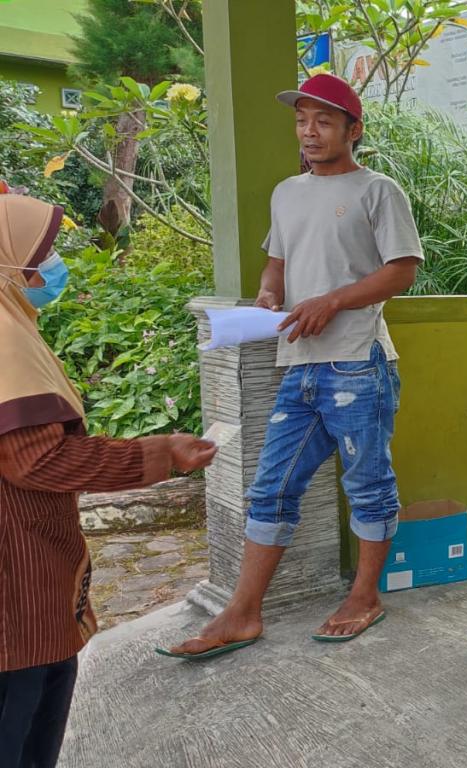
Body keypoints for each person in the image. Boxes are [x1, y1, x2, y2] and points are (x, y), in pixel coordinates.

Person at [163, 73, 423, 659]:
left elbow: (402, 269)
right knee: (270, 488)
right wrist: (267, 296)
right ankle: (242, 612)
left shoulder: (378, 190)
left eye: (324, 121)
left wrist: (332, 300)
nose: (309, 130)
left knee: (368, 485)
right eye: (302, 120)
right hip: (298, 367)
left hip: (359, 364)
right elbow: (275, 265)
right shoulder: (286, 192)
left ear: (353, 130)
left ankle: (364, 597)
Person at [0, 193, 217, 767]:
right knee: (19, 724)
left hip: (32, 572)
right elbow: (36, 459)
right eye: (41, 253)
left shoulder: (13, 321)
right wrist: (158, 454)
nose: (52, 266)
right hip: (11, 589)